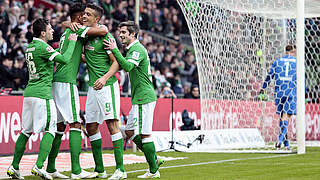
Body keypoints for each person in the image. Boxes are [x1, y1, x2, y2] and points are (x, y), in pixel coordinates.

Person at [7, 18, 77, 180]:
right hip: (42, 95)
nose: (53, 30)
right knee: (51, 130)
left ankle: (14, 166)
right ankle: (39, 166)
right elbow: (65, 60)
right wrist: (72, 42)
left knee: (26, 131)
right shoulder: (43, 47)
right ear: (43, 33)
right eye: (50, 28)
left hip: (29, 93)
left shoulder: (30, 46)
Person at [45, 3, 109, 179]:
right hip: (67, 82)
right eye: (84, 15)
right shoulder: (78, 30)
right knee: (75, 124)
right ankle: (76, 170)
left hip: (57, 80)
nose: (86, 17)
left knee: (59, 127)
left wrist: (66, 23)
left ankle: (50, 167)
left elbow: (76, 56)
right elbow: (103, 32)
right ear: (79, 17)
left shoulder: (68, 31)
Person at [104, 21, 163, 179]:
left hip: (145, 96)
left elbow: (128, 67)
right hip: (139, 97)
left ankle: (153, 170)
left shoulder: (137, 49)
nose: (121, 35)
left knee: (145, 134)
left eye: (124, 32)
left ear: (133, 34)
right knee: (130, 131)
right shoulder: (131, 49)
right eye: (120, 32)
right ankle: (154, 158)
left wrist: (114, 50)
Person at [82, 4, 126, 180]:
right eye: (84, 14)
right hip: (93, 88)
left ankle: (120, 170)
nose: (84, 17)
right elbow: (90, 57)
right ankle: (100, 169)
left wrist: (105, 78)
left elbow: (116, 62)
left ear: (97, 19)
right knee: (91, 126)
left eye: (88, 14)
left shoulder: (105, 36)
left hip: (107, 86)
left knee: (112, 124)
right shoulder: (85, 36)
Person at [259, 44, 297, 150]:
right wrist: (304, 94)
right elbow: (302, 79)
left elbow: (269, 76)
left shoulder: (277, 61)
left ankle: (286, 145)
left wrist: (263, 88)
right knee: (286, 117)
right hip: (291, 93)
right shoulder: (298, 63)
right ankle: (279, 140)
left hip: (279, 92)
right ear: (293, 51)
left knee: (282, 118)